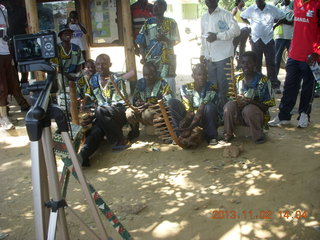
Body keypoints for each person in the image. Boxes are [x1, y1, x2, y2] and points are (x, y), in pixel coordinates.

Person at [268, 0, 320, 128]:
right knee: (290, 86)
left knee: (307, 88)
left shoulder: (317, 4)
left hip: (310, 57)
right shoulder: (296, 2)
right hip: (293, 54)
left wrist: (317, 52)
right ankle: (283, 116)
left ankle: (304, 115)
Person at [79, 54, 130, 167]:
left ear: (110, 65)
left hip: (117, 113)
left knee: (100, 110)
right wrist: (84, 102)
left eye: (104, 64)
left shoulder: (117, 79)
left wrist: (96, 113)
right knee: (96, 131)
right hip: (102, 114)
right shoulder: (93, 79)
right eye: (98, 64)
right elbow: (89, 95)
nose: (100, 67)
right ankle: (83, 156)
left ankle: (120, 138)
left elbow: (118, 103)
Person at [224, 51, 275, 144]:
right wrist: (237, 100)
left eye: (249, 62)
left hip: (255, 116)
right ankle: (228, 134)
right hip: (239, 115)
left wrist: (251, 102)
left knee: (249, 109)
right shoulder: (237, 78)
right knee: (229, 106)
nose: (245, 65)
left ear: (255, 64)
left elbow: (266, 106)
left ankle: (258, 136)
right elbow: (230, 97)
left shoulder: (263, 80)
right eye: (243, 62)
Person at [200, 0, 240, 115]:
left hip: (223, 57)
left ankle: (226, 116)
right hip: (210, 58)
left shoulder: (226, 15)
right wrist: (202, 53)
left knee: (225, 89)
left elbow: (236, 31)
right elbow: (203, 37)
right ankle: (216, 115)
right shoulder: (204, 18)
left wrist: (218, 36)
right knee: (212, 88)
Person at [136, 0, 180, 97]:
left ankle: (169, 108)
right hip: (151, 62)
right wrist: (143, 57)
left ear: (164, 9)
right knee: (152, 85)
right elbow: (140, 41)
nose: (155, 8)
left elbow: (176, 41)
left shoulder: (171, 22)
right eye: (154, 6)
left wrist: (165, 39)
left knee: (168, 84)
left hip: (167, 61)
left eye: (158, 6)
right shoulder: (148, 23)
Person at [241, 0, 285, 94]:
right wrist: (250, 23)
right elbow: (242, 16)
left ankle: (273, 84)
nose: (258, 1)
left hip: (268, 40)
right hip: (256, 40)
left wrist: (275, 24)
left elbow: (283, 16)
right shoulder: (251, 9)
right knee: (256, 64)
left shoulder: (272, 9)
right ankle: (258, 83)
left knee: (271, 63)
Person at [169, 63, 220, 145]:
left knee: (210, 106)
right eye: (199, 75)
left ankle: (211, 136)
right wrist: (185, 122)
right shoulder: (185, 88)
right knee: (172, 102)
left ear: (207, 76)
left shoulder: (211, 87)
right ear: (193, 76)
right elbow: (189, 111)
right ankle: (178, 135)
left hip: (204, 119)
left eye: (204, 75)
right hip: (189, 117)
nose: (202, 77)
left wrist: (190, 128)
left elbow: (201, 108)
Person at [126, 61, 172, 140]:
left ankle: (164, 131)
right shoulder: (140, 82)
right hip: (141, 109)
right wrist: (138, 103)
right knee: (129, 113)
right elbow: (135, 98)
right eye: (145, 75)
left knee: (147, 114)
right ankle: (134, 131)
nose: (147, 77)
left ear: (156, 73)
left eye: (150, 74)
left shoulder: (163, 83)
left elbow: (168, 102)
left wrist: (150, 104)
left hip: (157, 111)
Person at [53, 24, 84, 109]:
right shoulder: (57, 49)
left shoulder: (76, 48)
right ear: (60, 36)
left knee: (85, 76)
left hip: (74, 74)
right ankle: (64, 106)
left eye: (69, 33)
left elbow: (79, 64)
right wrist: (68, 75)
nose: (67, 35)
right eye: (65, 33)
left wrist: (77, 75)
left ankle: (82, 102)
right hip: (62, 75)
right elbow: (57, 68)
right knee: (60, 78)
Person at [273, 0, 293, 78]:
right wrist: (281, 21)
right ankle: (274, 79)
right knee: (276, 58)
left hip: (290, 36)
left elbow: (292, 21)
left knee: (291, 59)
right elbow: (274, 19)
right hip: (279, 36)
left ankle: (290, 77)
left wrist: (281, 21)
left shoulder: (293, 6)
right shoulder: (279, 7)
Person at [232, 0, 251, 68]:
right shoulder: (236, 9)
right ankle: (231, 63)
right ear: (239, 2)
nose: (244, 3)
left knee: (242, 47)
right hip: (238, 30)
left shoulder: (244, 10)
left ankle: (240, 65)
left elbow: (247, 19)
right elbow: (231, 18)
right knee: (234, 46)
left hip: (245, 30)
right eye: (242, 1)